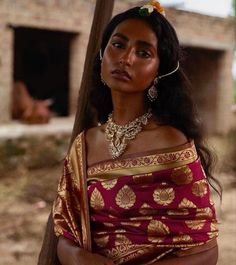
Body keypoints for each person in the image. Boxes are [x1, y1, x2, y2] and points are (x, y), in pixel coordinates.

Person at [52, 1, 221, 264]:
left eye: (144, 53)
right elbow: (65, 234)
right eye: (118, 45)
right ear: (102, 54)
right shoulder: (84, 144)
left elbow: (206, 252)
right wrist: (78, 257)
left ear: (158, 70)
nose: (126, 58)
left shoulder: (171, 142)